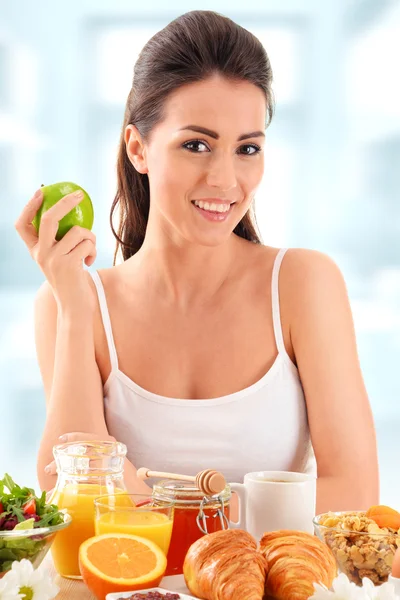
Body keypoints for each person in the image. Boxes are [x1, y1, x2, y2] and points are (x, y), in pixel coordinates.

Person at [15, 10, 379, 514]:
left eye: (247, 148)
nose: (225, 181)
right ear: (138, 149)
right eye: (196, 145)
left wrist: (153, 506)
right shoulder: (70, 304)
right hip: (129, 593)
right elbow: (75, 491)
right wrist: (75, 309)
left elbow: (355, 493)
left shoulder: (302, 285)